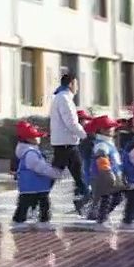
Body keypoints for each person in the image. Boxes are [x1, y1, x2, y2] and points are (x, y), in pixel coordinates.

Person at [48, 73, 89, 214]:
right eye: (76, 84)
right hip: (67, 144)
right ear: (71, 84)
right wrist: (84, 135)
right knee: (79, 176)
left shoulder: (60, 98)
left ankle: (35, 200)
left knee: (56, 175)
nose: (77, 88)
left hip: (63, 143)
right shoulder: (64, 99)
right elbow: (71, 122)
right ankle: (86, 204)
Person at [11, 120, 63, 230]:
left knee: (26, 203)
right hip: (34, 184)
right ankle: (38, 221)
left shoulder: (29, 151)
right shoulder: (31, 153)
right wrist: (53, 173)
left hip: (31, 185)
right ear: (29, 139)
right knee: (40, 203)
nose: (39, 138)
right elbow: (38, 167)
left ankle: (20, 220)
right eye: (36, 136)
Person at [87, 115, 126, 228]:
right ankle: (101, 220)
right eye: (110, 127)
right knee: (106, 198)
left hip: (111, 176)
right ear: (102, 130)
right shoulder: (101, 144)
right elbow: (102, 159)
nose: (113, 129)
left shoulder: (108, 142)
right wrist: (108, 173)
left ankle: (100, 216)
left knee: (117, 197)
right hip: (103, 177)